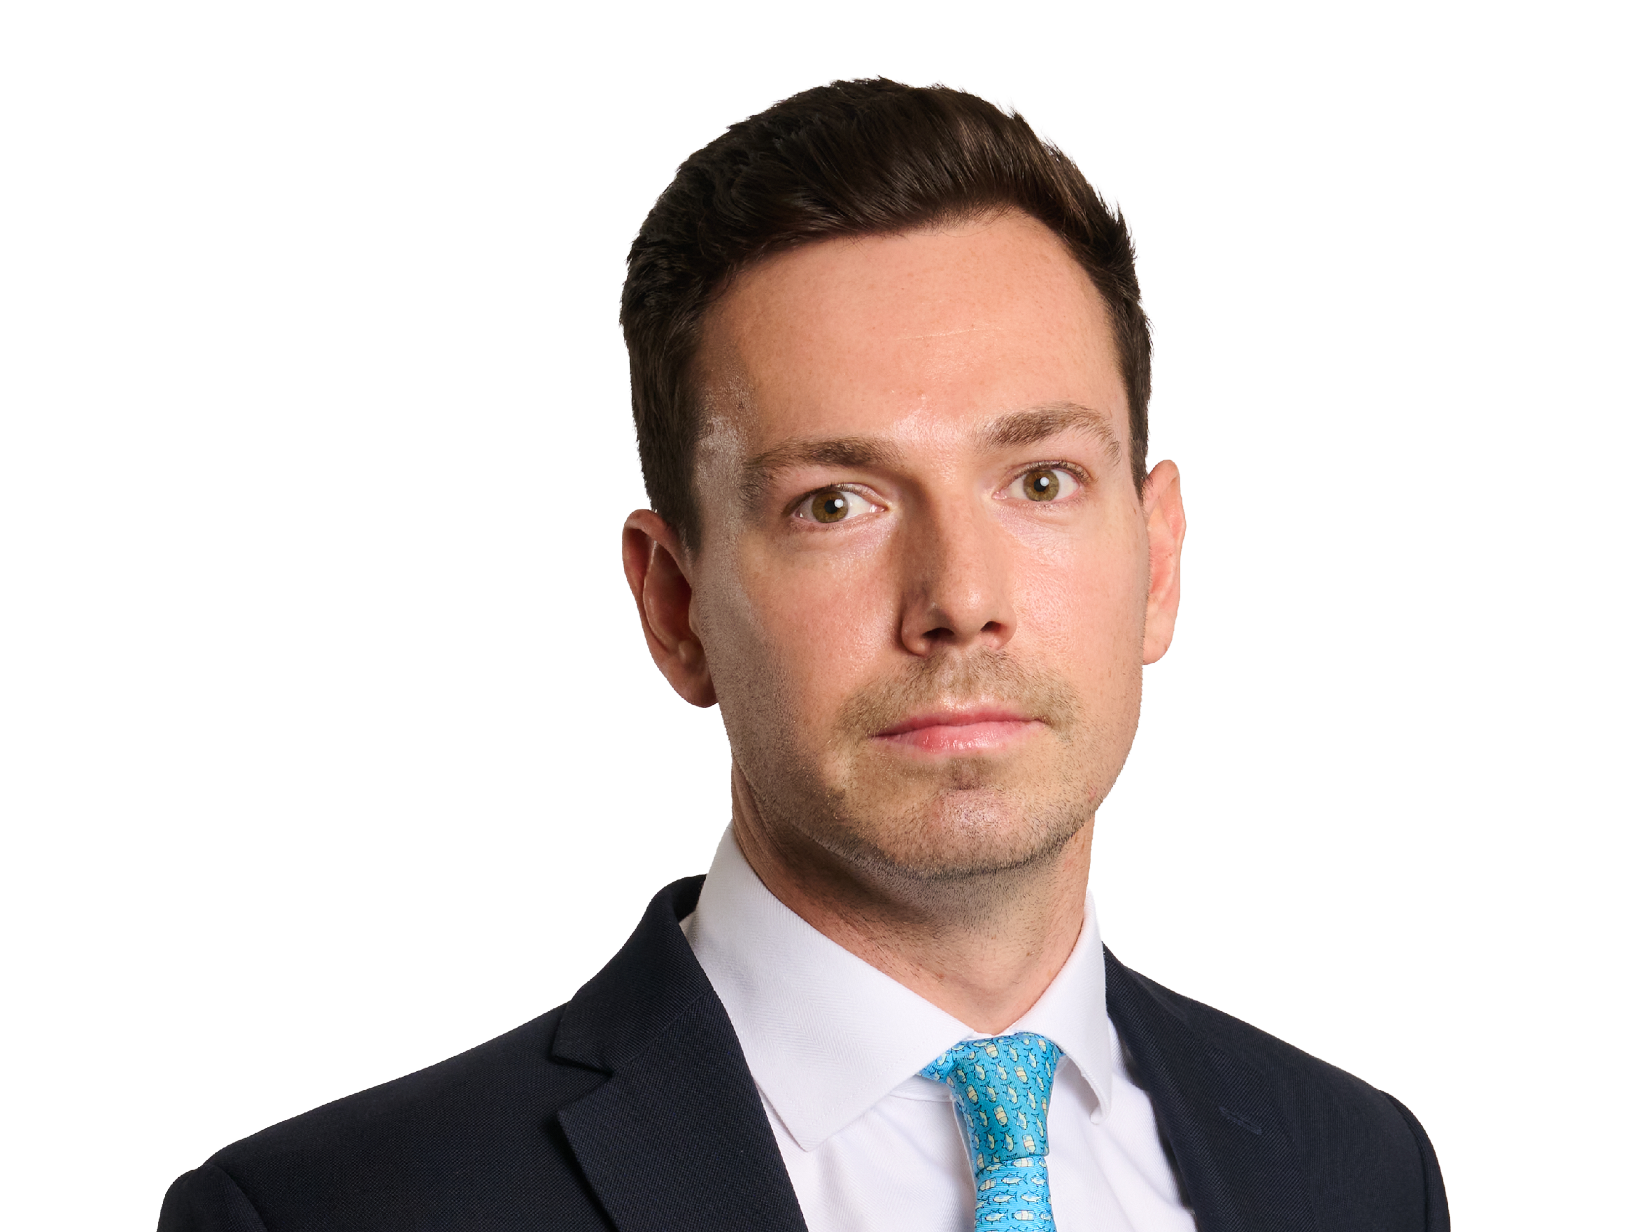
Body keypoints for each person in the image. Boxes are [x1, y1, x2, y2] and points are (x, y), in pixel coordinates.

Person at [158, 78, 1448, 1232]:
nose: (960, 601)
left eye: (1041, 480)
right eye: (835, 502)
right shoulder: (333, 1213)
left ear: (1157, 563)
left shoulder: (1357, 1173)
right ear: (675, 606)